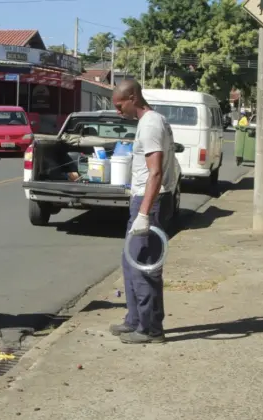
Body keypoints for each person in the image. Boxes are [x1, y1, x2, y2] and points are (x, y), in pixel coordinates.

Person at [109, 79, 179, 344]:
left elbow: (156, 172)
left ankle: (151, 329)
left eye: (120, 105)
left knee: (143, 265)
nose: (118, 111)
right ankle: (135, 320)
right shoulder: (151, 122)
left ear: (133, 97)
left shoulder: (150, 124)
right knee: (130, 262)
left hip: (152, 201)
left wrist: (144, 213)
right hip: (144, 198)